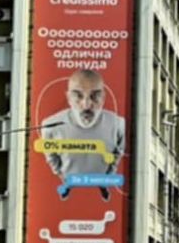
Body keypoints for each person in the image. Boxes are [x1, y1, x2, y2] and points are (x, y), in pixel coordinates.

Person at [41, 67, 127, 198]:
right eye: (78, 96)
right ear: (69, 98)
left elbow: (118, 153)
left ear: (103, 98)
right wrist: (60, 173)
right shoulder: (50, 126)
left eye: (95, 96)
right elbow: (50, 155)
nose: (86, 105)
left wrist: (109, 174)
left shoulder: (119, 124)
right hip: (68, 177)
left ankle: (102, 186)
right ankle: (67, 185)